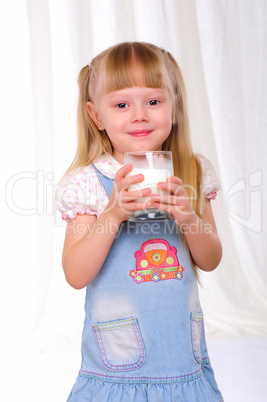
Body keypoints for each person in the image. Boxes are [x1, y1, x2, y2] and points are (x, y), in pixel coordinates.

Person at [56, 42, 223, 401]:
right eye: (121, 104)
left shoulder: (192, 170)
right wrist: (113, 213)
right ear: (96, 116)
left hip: (180, 360)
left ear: (174, 106)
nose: (139, 115)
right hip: (118, 367)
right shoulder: (89, 182)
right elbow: (75, 274)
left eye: (153, 101)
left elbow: (210, 259)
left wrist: (189, 218)